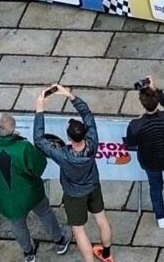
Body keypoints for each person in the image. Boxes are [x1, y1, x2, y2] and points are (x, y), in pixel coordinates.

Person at [0, 114, 69, 261]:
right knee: (45, 213)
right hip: (32, 193)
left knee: (18, 224)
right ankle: (60, 240)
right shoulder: (24, 147)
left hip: (7, 199)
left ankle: (28, 253)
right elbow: (39, 167)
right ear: (14, 129)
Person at [34, 86, 113, 261]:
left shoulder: (63, 155)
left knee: (79, 230)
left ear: (69, 138)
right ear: (85, 133)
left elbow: (39, 140)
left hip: (74, 194)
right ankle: (106, 253)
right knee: (101, 218)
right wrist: (70, 96)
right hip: (93, 186)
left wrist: (40, 108)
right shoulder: (93, 141)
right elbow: (87, 114)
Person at [116, 79, 164, 233]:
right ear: (157, 101)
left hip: (150, 162)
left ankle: (160, 217)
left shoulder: (135, 125)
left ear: (142, 103)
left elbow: (130, 144)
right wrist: (156, 89)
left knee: (155, 188)